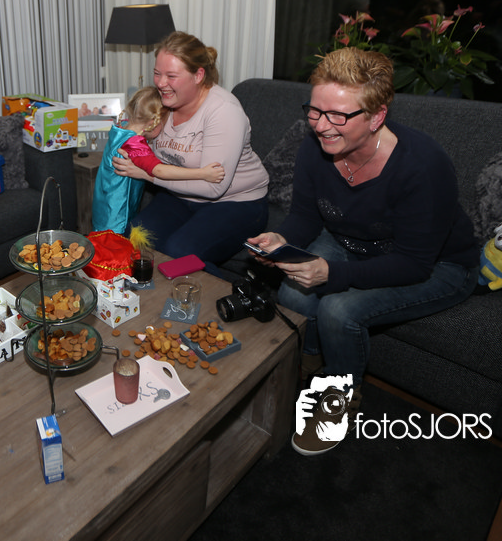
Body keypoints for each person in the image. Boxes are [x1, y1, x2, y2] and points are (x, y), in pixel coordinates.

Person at [246, 47, 480, 455]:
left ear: (376, 117)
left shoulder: (423, 167)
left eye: (338, 115)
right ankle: (311, 362)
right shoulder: (315, 147)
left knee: (339, 311)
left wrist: (331, 274)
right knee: (292, 293)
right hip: (351, 240)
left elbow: (414, 263)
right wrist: (282, 239)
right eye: (315, 111)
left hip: (438, 265)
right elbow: (305, 215)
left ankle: (339, 395)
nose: (321, 125)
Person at [112, 32, 269, 274]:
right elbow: (136, 132)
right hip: (181, 195)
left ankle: (232, 293)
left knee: (179, 254)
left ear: (198, 75)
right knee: (135, 238)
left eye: (171, 76)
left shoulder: (223, 112)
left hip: (236, 202)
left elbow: (214, 188)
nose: (160, 83)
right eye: (157, 73)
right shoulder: (162, 102)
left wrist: (147, 174)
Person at [92, 86, 225, 234]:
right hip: (117, 215)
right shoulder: (134, 145)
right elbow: (160, 171)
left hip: (102, 205)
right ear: (152, 124)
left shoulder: (121, 127)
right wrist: (202, 173)